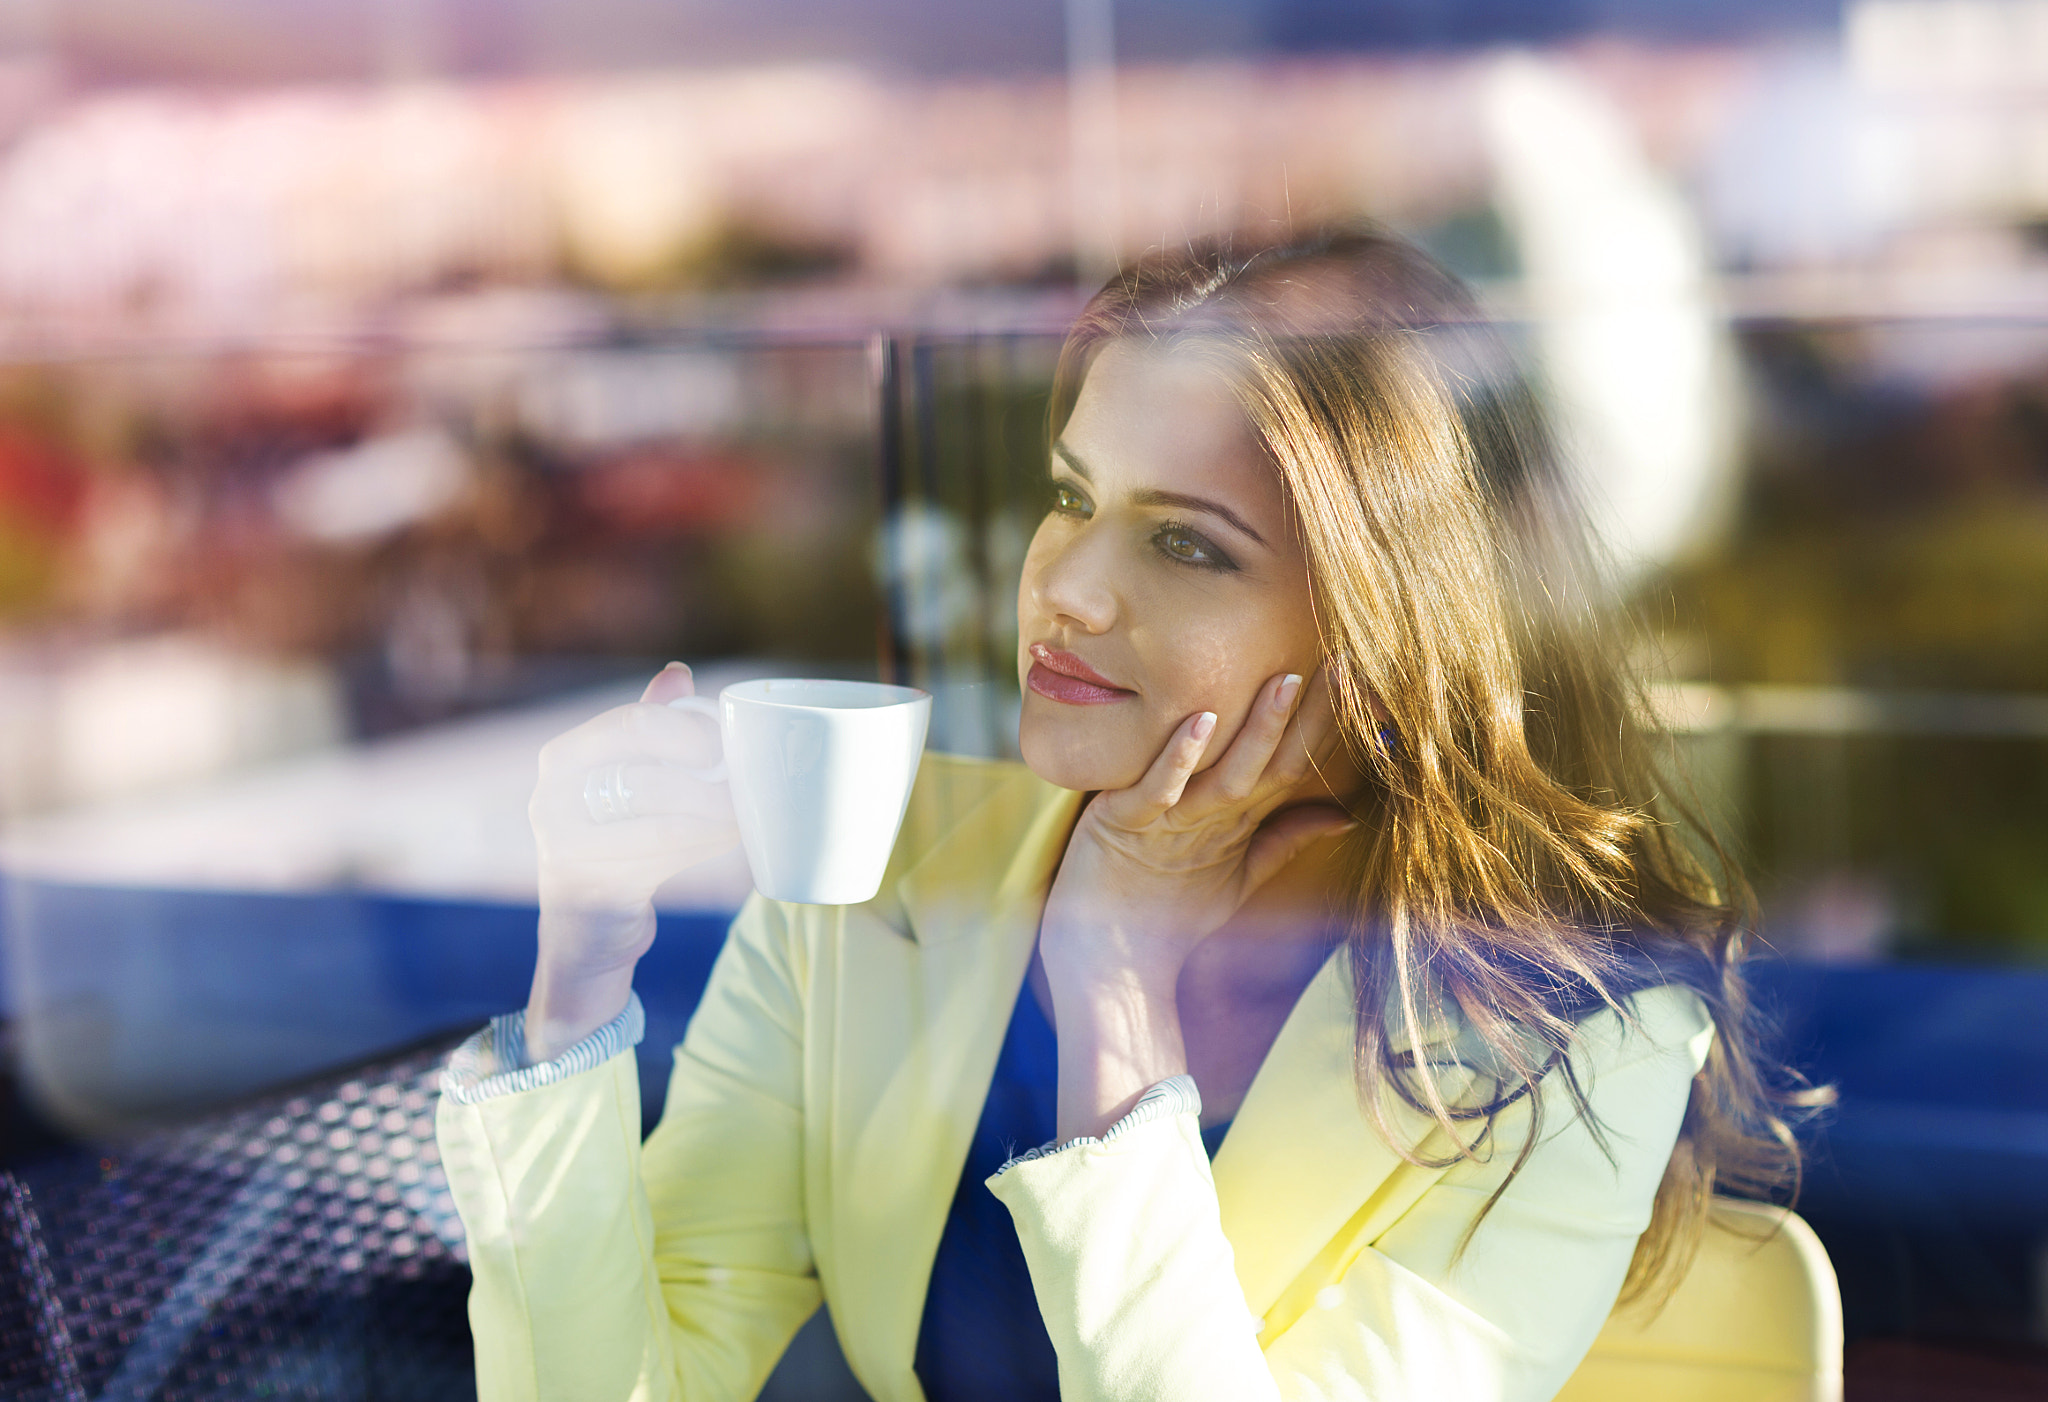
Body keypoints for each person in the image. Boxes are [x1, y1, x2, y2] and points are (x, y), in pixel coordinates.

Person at [435, 228, 1817, 1402]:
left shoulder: (1579, 1027)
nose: (1065, 586)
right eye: (1071, 497)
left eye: (1185, 541)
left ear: (1395, 632)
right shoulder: (883, 872)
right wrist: (576, 984)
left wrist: (1111, 992)